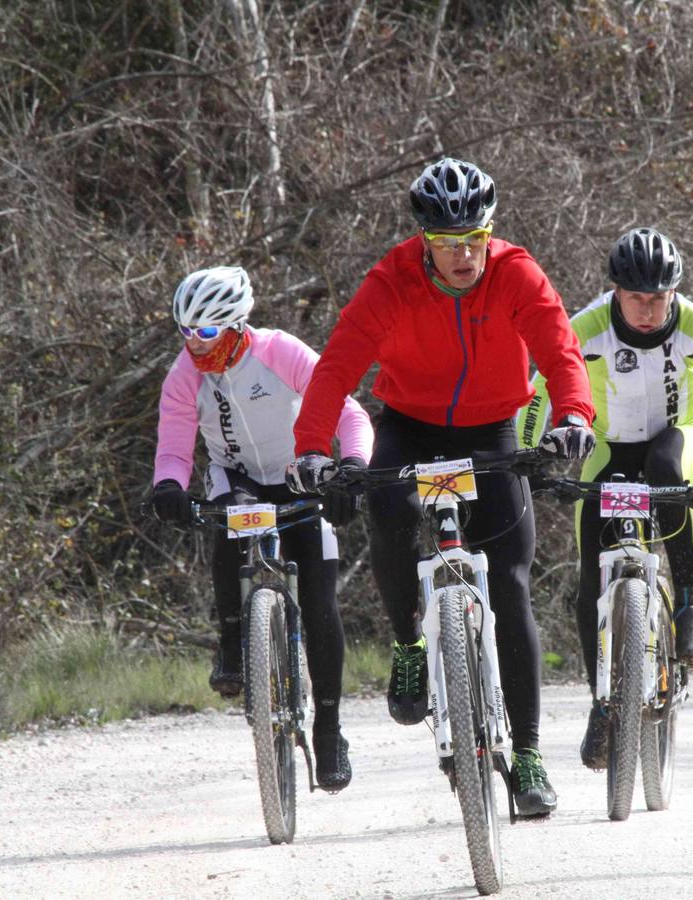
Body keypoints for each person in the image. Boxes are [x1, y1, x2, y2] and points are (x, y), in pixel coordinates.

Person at [285, 157, 596, 817]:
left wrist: (573, 417)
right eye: (447, 243)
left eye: (475, 240)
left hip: (492, 429)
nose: (464, 256)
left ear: (490, 232)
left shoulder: (515, 273)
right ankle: (408, 643)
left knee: (510, 585)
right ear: (423, 241)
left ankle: (529, 755)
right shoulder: (391, 280)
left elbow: (560, 349)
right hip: (410, 425)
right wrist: (311, 450)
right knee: (388, 510)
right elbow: (336, 367)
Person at [517, 226, 693, 769]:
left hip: (679, 437)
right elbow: (538, 393)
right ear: (615, 290)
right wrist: (530, 460)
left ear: (674, 293)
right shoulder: (588, 325)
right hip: (612, 447)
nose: (647, 311)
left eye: (658, 298)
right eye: (635, 298)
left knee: (665, 467)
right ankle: (601, 704)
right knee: (590, 577)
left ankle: (689, 601)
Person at [149, 265, 373, 792]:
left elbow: (350, 416)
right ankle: (232, 640)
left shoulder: (280, 351)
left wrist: (352, 468)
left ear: (235, 326)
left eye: (206, 331)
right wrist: (168, 488)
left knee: (319, 602)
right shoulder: (184, 375)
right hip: (239, 478)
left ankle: (329, 729)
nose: (194, 343)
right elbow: (174, 449)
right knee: (227, 522)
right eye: (185, 331)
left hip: (300, 476)